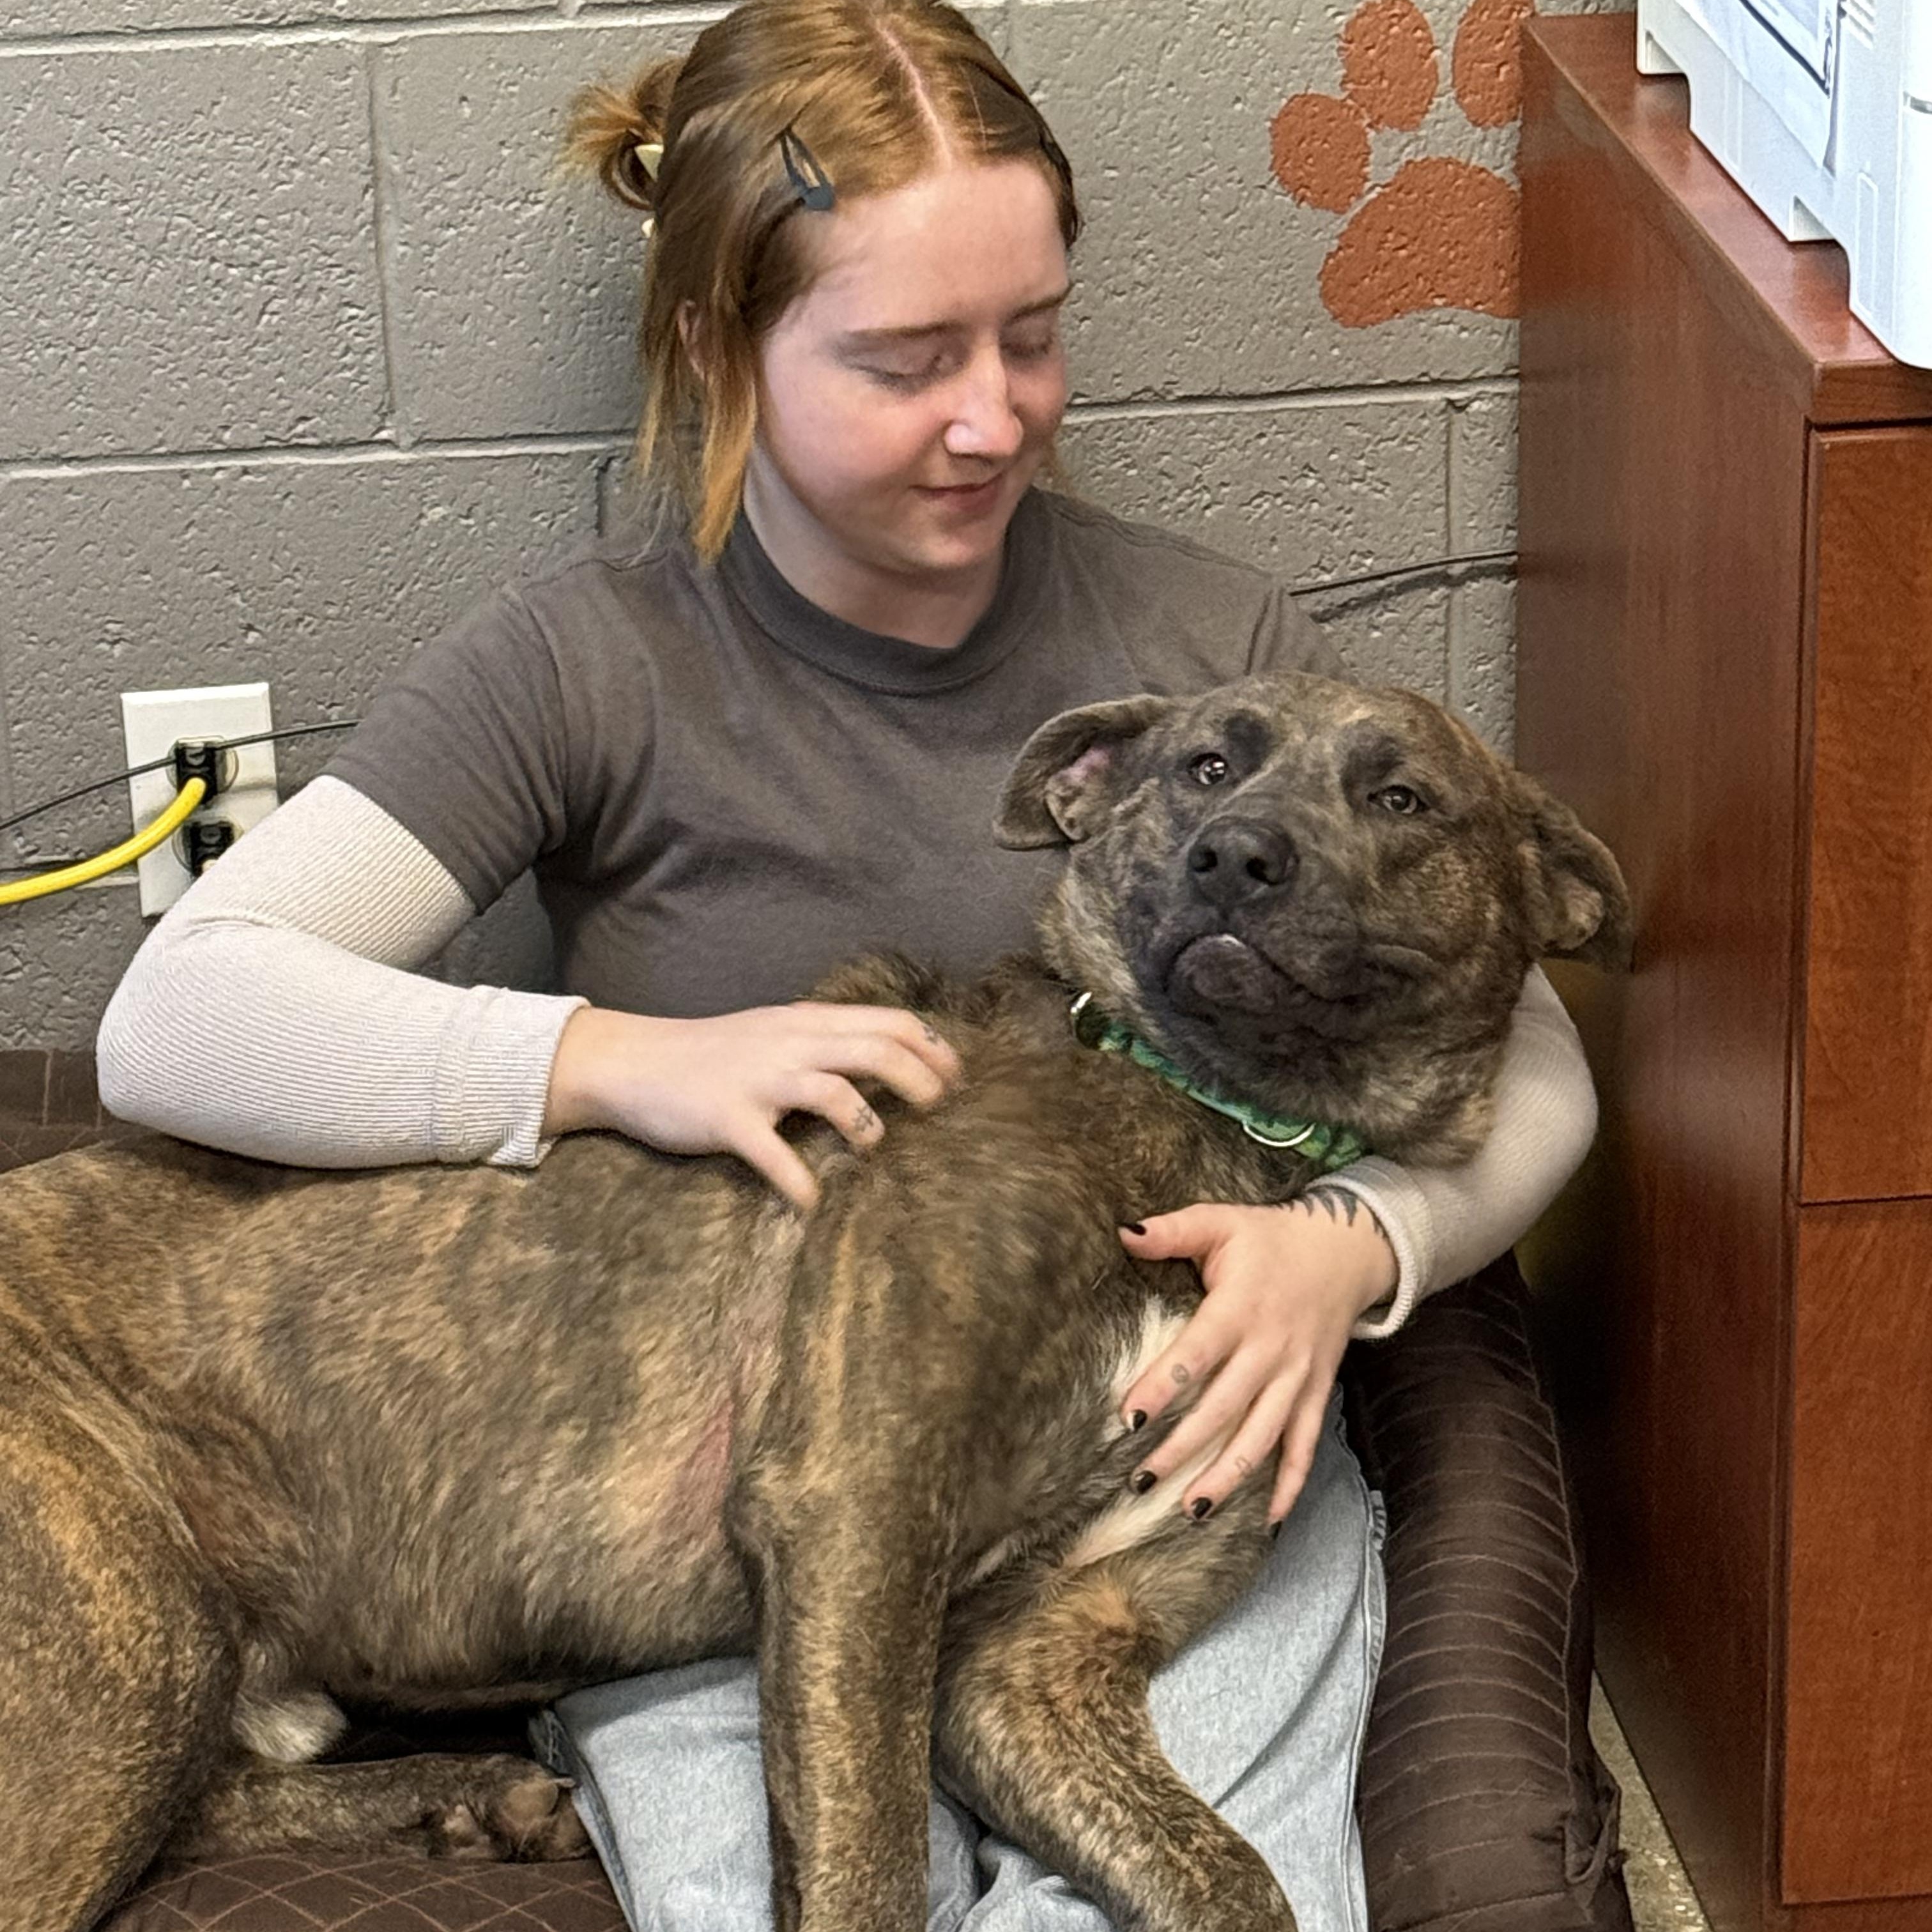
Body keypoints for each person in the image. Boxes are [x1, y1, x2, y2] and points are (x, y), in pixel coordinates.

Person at [96, 3, 1597, 1926]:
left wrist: (1368, 1248)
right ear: (724, 352)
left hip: (1181, 1394)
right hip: (741, 1426)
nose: (992, 417)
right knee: (741, 1784)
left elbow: (1525, 1050)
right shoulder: (589, 661)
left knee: (1266, 1720)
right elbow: (182, 1011)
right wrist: (618, 1059)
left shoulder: (1210, 655)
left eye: (1031, 335)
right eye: (906, 360)